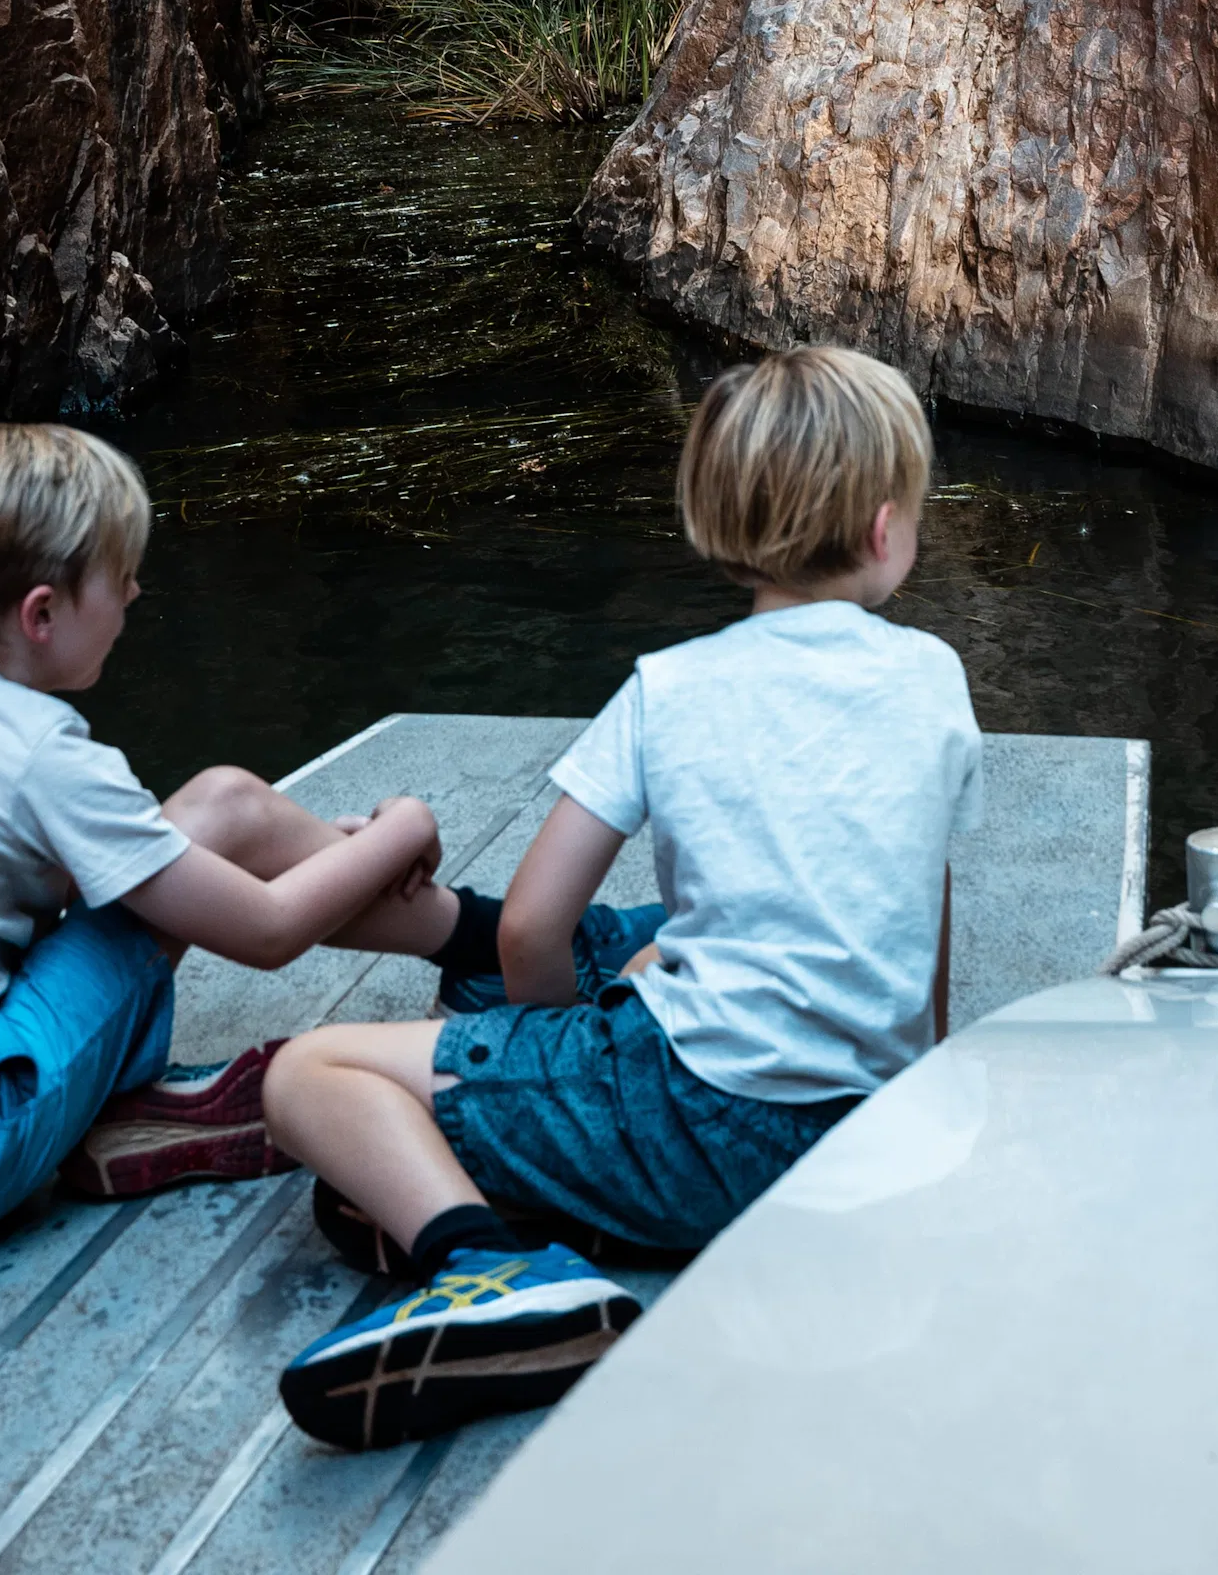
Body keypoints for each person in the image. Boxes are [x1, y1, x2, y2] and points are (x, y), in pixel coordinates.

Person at [262, 344, 984, 1452]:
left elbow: (536, 932)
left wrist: (553, 1053)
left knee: (307, 1076)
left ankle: (488, 1269)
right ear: (887, 529)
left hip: (707, 1128)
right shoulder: (936, 676)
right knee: (648, 939)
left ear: (720, 521)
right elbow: (919, 904)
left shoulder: (673, 689)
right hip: (872, 1131)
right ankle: (521, 1100)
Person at [0, 416, 463, 1248]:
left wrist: (355, 856)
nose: (137, 593)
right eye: (122, 574)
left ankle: (472, 942)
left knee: (218, 809)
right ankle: (480, 945)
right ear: (42, 614)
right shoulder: (38, 754)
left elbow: (78, 874)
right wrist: (403, 829)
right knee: (211, 826)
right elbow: (268, 930)